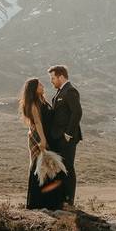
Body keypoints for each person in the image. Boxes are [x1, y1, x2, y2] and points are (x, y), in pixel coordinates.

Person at [18, 77, 65, 210]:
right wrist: (43, 140)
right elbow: (38, 123)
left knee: (47, 167)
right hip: (38, 136)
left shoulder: (41, 100)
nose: (42, 85)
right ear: (34, 88)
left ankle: (49, 202)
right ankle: (36, 202)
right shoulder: (33, 103)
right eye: (39, 84)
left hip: (46, 135)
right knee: (38, 166)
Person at [47, 65, 82, 207]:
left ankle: (69, 200)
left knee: (68, 167)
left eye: (53, 78)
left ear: (61, 77)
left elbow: (77, 112)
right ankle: (61, 199)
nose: (51, 81)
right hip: (58, 138)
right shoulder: (60, 92)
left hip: (67, 138)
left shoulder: (70, 91)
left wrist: (68, 133)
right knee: (61, 168)